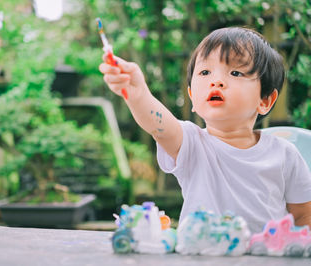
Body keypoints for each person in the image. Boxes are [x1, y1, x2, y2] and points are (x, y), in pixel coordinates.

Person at [99, 27, 311, 233]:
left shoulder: (284, 154)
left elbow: (303, 216)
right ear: (191, 96)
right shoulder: (191, 143)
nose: (215, 81)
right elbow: (159, 126)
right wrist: (138, 94)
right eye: (205, 72)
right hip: (201, 256)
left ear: (265, 100)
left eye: (235, 72)